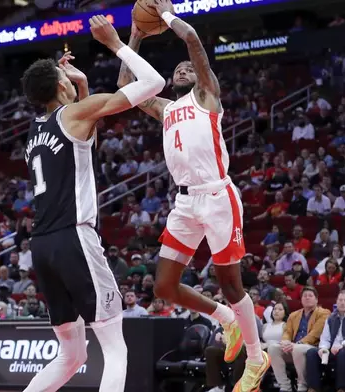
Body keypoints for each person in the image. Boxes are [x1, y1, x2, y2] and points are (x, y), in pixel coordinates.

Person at [117, 3, 269, 390]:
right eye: (178, 69)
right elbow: (123, 88)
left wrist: (166, 16)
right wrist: (134, 34)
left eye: (188, 68)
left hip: (217, 195)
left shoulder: (207, 96)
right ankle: (225, 319)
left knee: (232, 285)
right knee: (164, 287)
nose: (183, 69)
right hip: (184, 202)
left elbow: (193, 41)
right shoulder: (166, 108)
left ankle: (256, 357)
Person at [21, 15, 166, 392]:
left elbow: (85, 146)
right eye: (64, 76)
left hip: (42, 245)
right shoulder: (74, 114)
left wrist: (81, 86)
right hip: (74, 237)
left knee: (71, 355)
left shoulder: (35, 132)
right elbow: (154, 84)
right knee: (115, 347)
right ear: (58, 84)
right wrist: (116, 44)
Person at [268, 287, 330, 392]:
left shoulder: (324, 313)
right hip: (293, 346)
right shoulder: (294, 315)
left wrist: (298, 343)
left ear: (316, 299)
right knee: (273, 348)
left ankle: (302, 385)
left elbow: (315, 334)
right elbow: (287, 332)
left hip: (312, 347)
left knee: (298, 348)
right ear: (301, 299)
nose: (307, 298)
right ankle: (284, 385)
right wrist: (286, 341)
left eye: (310, 296)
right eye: (304, 296)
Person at [305, 289, 345, 392]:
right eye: (340, 300)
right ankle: (313, 388)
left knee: (342, 353)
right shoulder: (331, 317)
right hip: (332, 348)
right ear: (336, 301)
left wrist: (342, 344)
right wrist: (323, 348)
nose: (342, 303)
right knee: (312, 352)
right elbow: (325, 338)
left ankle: (342, 388)